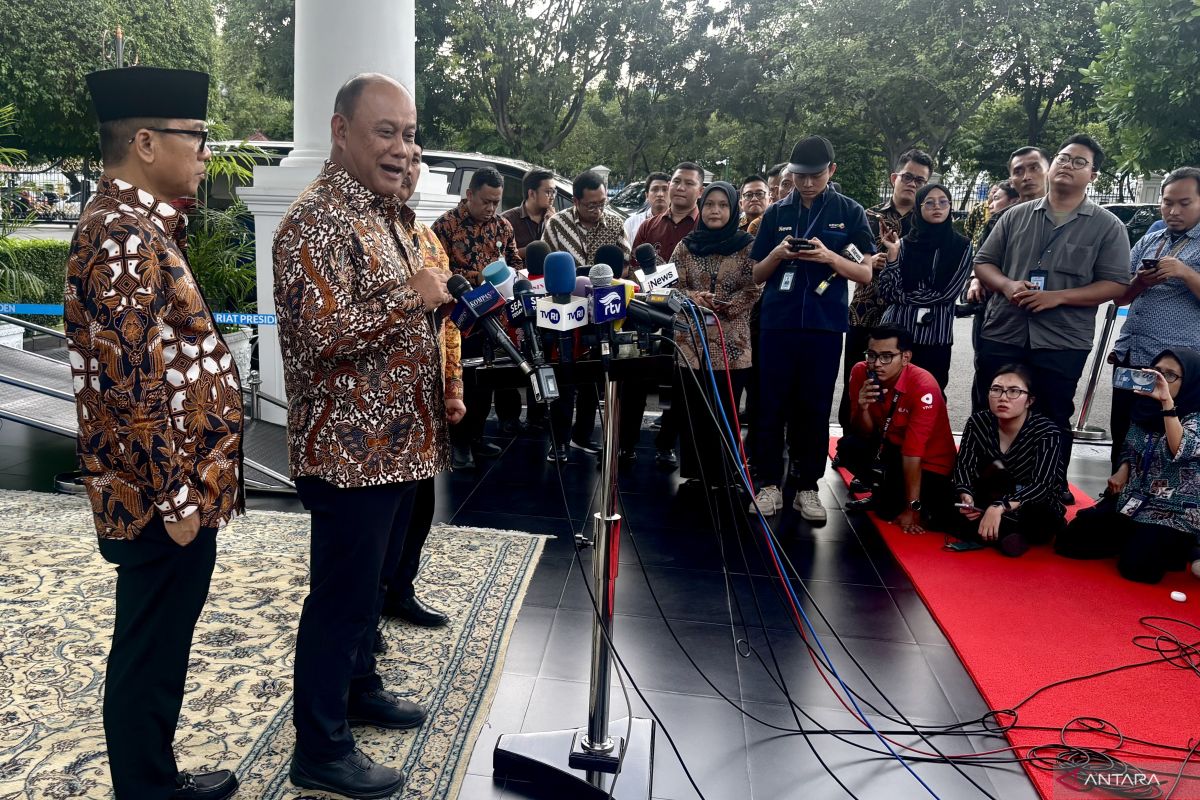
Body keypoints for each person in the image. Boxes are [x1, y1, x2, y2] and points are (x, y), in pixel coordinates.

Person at [272, 73, 451, 798]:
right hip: (347, 454)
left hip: (398, 444)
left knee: (369, 590)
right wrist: (413, 294)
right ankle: (319, 748)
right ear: (341, 130)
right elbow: (317, 340)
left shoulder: (385, 214)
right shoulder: (314, 223)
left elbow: (396, 313)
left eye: (408, 134)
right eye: (386, 132)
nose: (401, 147)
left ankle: (360, 688)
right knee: (339, 599)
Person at [67, 66, 242, 800]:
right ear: (144, 142)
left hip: (170, 494)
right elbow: (129, 391)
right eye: (195, 136)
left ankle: (155, 778)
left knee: (160, 647)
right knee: (147, 652)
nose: (205, 151)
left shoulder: (139, 225)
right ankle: (147, 790)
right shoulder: (119, 236)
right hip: (157, 503)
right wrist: (176, 504)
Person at [972, 133, 1131, 502]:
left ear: (1093, 175)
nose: (1067, 165)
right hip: (1004, 330)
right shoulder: (1015, 215)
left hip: (1062, 339)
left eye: (1079, 162)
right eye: (1063, 157)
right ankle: (984, 485)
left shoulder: (1108, 226)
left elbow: (1115, 284)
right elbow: (983, 262)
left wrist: (1058, 297)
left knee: (1053, 414)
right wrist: (1008, 286)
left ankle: (1049, 489)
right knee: (991, 408)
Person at [748, 135, 875, 521]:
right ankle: (768, 483)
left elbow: (865, 273)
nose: (806, 183)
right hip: (778, 322)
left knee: (814, 407)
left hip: (823, 325)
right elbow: (756, 274)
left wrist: (829, 256)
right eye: (799, 176)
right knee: (769, 404)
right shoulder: (774, 213)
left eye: (815, 175)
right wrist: (777, 252)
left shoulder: (850, 213)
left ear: (831, 171)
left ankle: (807, 486)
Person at [378, 140, 465, 633]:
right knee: (379, 525)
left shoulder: (429, 241)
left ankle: (400, 590)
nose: (406, 171)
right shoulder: (366, 237)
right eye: (401, 162)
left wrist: (453, 386)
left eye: (415, 164)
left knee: (420, 504)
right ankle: (367, 610)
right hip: (377, 408)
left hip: (426, 401)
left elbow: (448, 324)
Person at [1056, 349, 1200, 584]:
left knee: (1138, 570)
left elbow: (1180, 449)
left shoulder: (1195, 416)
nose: (1160, 379)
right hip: (1134, 502)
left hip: (1174, 512)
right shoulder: (1144, 407)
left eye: (1170, 375)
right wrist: (1123, 468)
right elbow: (1130, 447)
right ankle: (1143, 541)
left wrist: (1167, 404)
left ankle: (1186, 545)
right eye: (1156, 372)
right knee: (1070, 541)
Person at [1108, 167, 1200, 470]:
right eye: (1167, 202)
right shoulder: (1151, 240)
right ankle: (1114, 501)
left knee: (1162, 437)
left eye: (1184, 203)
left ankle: (1154, 508)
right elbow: (1120, 296)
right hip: (1131, 353)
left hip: (1174, 366)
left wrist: (1185, 274)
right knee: (1122, 430)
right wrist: (1140, 282)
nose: (1173, 211)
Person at [670, 181, 761, 485]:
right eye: (710, 204)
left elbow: (755, 287)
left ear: (733, 208)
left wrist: (725, 306)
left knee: (726, 411)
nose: (715, 210)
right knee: (694, 409)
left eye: (723, 205)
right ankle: (696, 472)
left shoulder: (747, 245)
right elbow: (672, 287)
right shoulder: (685, 246)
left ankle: (725, 471)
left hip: (732, 342)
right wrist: (695, 298)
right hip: (691, 342)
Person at [432, 168, 525, 466]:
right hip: (459, 320)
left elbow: (515, 263)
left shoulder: (503, 227)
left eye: (496, 202)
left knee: (486, 382)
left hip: (495, 318)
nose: (491, 208)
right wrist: (476, 278)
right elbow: (437, 273)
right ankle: (458, 445)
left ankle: (477, 436)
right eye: (485, 201)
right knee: (464, 382)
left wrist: (512, 275)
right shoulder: (445, 226)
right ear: (469, 194)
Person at [839, 149, 933, 428]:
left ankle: (888, 443)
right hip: (865, 311)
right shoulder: (868, 215)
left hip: (904, 317)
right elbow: (846, 250)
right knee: (856, 379)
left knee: (897, 385)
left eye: (920, 180)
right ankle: (850, 441)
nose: (912, 183)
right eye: (907, 176)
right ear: (894, 177)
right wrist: (869, 260)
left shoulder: (927, 222)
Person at [540, 170, 628, 461]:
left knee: (594, 379)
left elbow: (624, 266)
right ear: (575, 200)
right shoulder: (556, 224)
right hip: (563, 313)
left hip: (602, 314)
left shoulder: (616, 224)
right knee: (564, 379)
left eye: (602, 202)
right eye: (591, 204)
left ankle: (582, 436)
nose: (598, 209)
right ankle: (560, 440)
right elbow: (546, 269)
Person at [624, 161, 706, 468]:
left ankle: (665, 445)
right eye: (676, 181)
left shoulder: (704, 227)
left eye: (688, 183)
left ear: (699, 190)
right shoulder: (649, 225)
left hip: (685, 316)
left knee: (680, 385)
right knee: (635, 382)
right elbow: (632, 266)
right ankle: (626, 445)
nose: (680, 187)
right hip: (646, 314)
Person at [837, 326, 957, 532]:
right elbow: (861, 432)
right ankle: (883, 493)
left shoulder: (923, 385)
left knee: (890, 510)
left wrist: (913, 509)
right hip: (891, 449)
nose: (876, 364)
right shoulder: (860, 371)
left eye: (886, 357)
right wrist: (863, 407)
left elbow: (913, 451)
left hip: (929, 463)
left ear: (905, 357)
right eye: (872, 355)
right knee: (848, 447)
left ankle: (909, 501)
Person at [966, 151, 1050, 412]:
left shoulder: (1075, 219)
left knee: (1045, 404)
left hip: (1052, 329)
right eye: (1018, 171)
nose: (1027, 176)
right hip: (1000, 320)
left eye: (1035, 167)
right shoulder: (1001, 219)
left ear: (1050, 169)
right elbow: (982, 261)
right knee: (989, 395)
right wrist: (978, 279)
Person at [951, 364, 1065, 556]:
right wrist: (966, 495)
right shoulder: (978, 422)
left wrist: (1000, 507)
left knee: (1040, 517)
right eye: (996, 390)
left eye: (1014, 391)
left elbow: (1042, 485)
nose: (1003, 398)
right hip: (989, 494)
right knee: (942, 498)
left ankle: (999, 531)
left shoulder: (1047, 432)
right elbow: (964, 465)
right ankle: (1003, 535)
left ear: (1029, 400)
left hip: (1029, 502)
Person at [876, 183, 974, 389]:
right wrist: (892, 258)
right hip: (897, 334)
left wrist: (902, 297)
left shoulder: (962, 246)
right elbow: (886, 292)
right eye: (929, 202)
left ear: (950, 207)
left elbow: (947, 294)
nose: (936, 207)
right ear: (918, 208)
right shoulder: (902, 244)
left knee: (929, 394)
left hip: (935, 336)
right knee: (889, 393)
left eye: (943, 202)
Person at [501, 168, 556, 260]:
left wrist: (553, 223)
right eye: (548, 192)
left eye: (554, 191)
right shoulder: (507, 220)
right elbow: (499, 255)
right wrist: (531, 251)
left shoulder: (553, 217)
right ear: (532, 194)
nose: (552, 197)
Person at [623, 171, 670, 245]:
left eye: (665, 189)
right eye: (655, 189)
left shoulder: (680, 225)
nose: (660, 194)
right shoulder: (631, 223)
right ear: (647, 195)